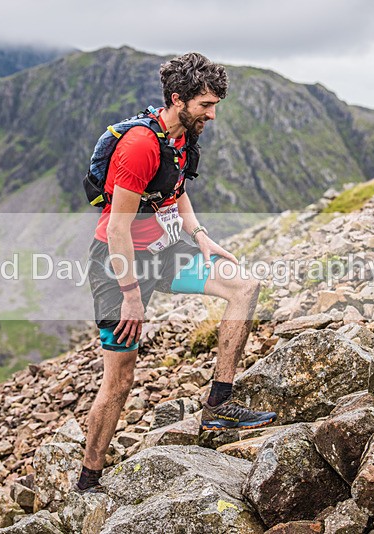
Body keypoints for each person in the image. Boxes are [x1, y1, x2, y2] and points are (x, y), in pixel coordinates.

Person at [77, 52, 276, 493]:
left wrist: (200, 235)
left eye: (215, 105)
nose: (213, 114)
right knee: (120, 380)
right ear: (177, 99)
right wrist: (131, 296)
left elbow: (177, 189)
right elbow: (116, 229)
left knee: (245, 286)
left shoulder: (181, 137)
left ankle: (219, 405)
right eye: (206, 105)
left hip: (165, 251)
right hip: (118, 266)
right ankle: (88, 480)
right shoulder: (140, 146)